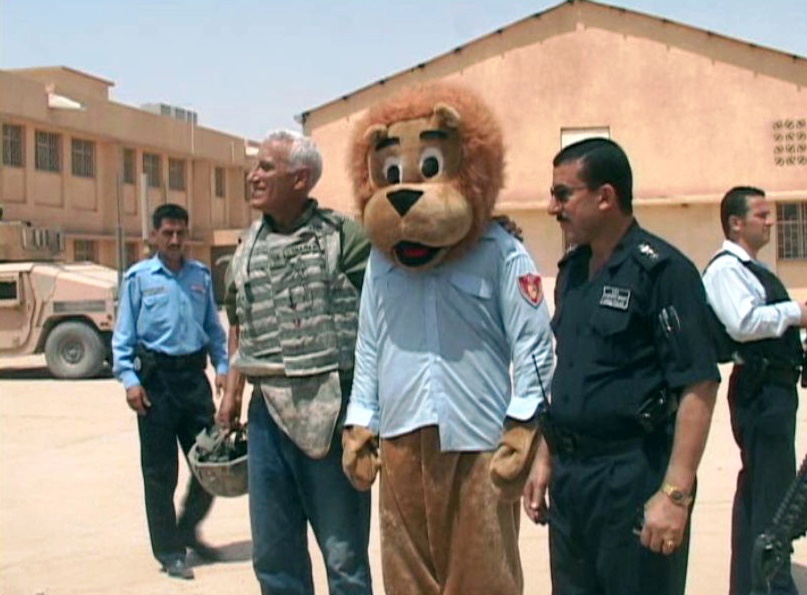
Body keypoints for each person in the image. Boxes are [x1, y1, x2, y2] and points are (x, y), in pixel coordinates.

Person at [523, 137, 721, 595]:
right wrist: (545, 458)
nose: (552, 208)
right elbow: (570, 376)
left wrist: (675, 495)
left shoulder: (664, 272)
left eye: (563, 194)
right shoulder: (573, 273)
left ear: (605, 196)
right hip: (573, 483)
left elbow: (698, 385)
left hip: (633, 477)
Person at [216, 130, 373, 595]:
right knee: (274, 557)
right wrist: (231, 396)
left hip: (333, 410)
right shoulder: (246, 247)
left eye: (266, 167)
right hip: (267, 416)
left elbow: (383, 320)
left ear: (301, 178)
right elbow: (239, 323)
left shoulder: (344, 237)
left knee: (344, 559)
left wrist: (369, 416)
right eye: (255, 167)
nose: (254, 176)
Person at [112, 203, 228, 580]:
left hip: (193, 381)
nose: (175, 239)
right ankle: (170, 551)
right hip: (156, 384)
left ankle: (187, 528)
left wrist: (222, 367)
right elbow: (123, 336)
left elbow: (213, 328)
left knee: (211, 465)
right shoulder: (139, 278)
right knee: (160, 473)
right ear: (154, 236)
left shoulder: (200, 276)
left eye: (180, 232)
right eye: (167, 233)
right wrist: (129, 380)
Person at [702, 186, 807, 595]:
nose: (771, 221)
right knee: (774, 500)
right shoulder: (726, 270)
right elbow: (743, 323)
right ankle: (772, 583)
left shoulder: (752, 269)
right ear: (736, 223)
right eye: (761, 215)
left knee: (761, 494)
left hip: (774, 389)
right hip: (760, 391)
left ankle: (752, 585)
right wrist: (796, 312)